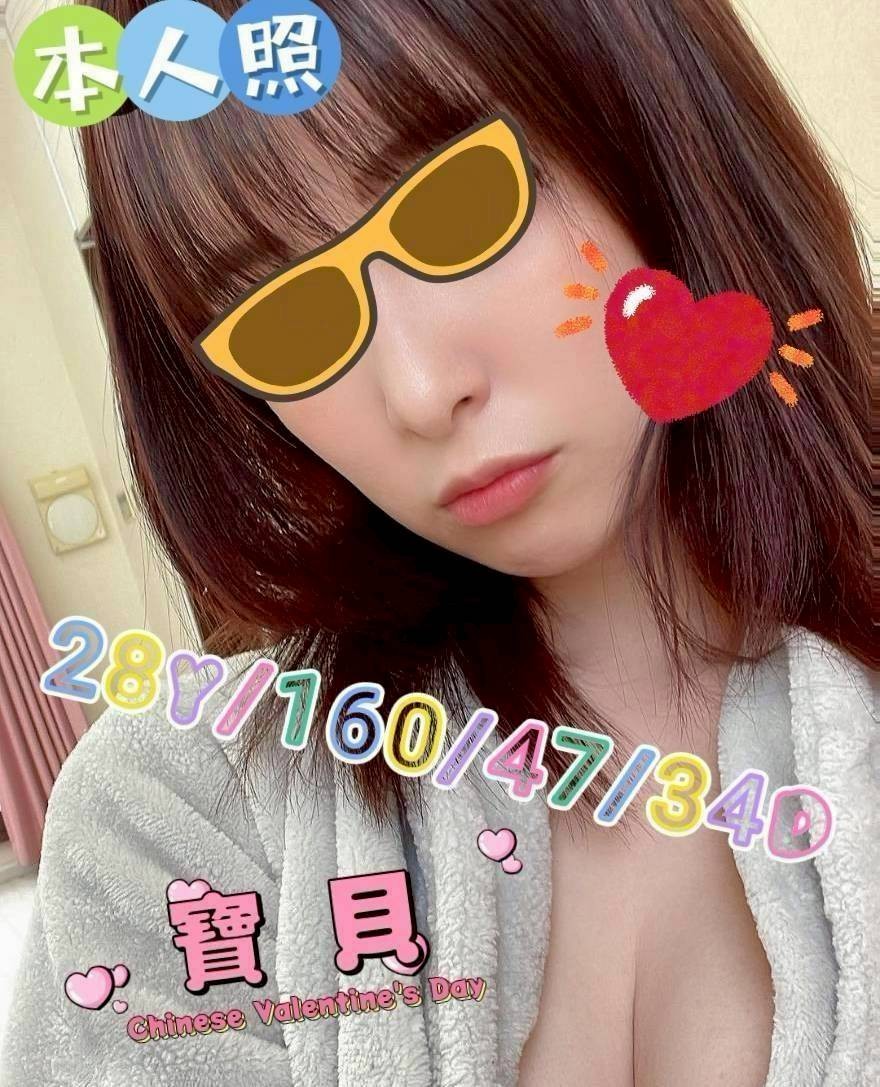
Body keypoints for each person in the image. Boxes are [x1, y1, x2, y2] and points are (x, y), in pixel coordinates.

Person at [2, 2, 875, 1085]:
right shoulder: (174, 816)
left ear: (648, 111)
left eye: (461, 204)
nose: (419, 390)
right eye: (286, 317)